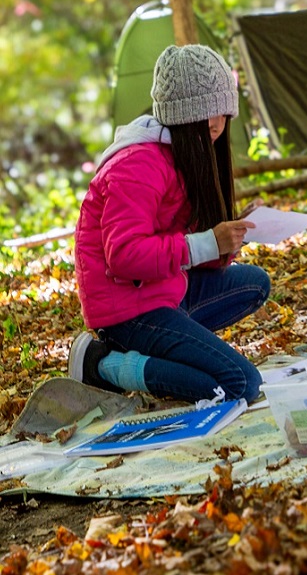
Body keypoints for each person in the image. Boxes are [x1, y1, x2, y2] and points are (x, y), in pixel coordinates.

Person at [69, 44, 269, 402]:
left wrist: (228, 239)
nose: (216, 125)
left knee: (255, 283)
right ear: (180, 115)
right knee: (239, 384)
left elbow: (181, 244)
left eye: (223, 112)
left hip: (165, 288)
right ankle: (103, 366)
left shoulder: (185, 155)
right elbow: (125, 255)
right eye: (206, 113)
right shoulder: (138, 164)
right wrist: (208, 242)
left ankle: (175, 348)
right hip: (127, 309)